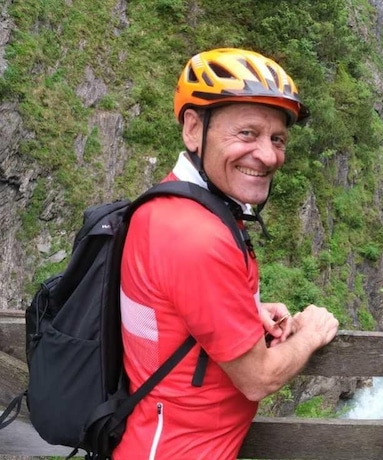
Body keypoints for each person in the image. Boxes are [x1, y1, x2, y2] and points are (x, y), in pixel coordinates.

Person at [114, 48, 339, 459]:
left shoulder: (167, 207)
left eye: (277, 139)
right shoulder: (196, 235)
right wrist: (312, 333)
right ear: (193, 128)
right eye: (247, 133)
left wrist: (241, 308)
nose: (269, 155)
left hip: (155, 433)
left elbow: (168, 308)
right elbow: (258, 378)